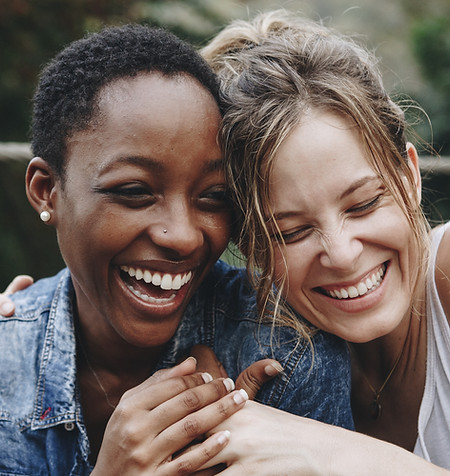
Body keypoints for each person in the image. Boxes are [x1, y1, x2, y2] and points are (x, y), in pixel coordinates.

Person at [0, 22, 353, 475]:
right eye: (133, 191)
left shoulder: (286, 352)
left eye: (213, 197)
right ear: (47, 190)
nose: (184, 236)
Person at [189, 9, 450, 474]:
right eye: (291, 232)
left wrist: (331, 452)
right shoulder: (257, 346)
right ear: (251, 247)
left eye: (364, 203)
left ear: (409, 175)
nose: (344, 254)